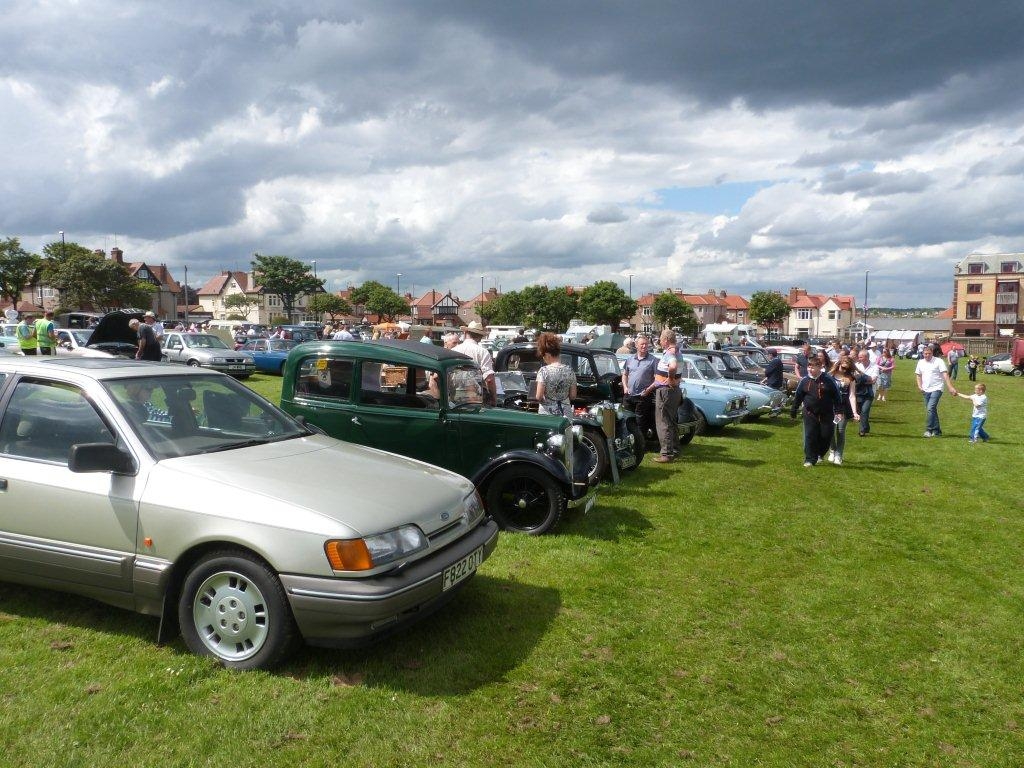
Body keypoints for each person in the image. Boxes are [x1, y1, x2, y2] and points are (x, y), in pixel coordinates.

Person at [790, 357, 843, 467]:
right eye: (809, 367)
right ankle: (809, 459)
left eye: (812, 367)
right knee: (810, 435)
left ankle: (820, 454)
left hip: (827, 414)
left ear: (819, 367)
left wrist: (839, 411)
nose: (810, 369)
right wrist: (794, 410)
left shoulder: (828, 380)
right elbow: (798, 396)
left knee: (826, 436)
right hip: (810, 413)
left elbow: (837, 396)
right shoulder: (804, 381)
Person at [651, 328, 682, 463]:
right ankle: (674, 449)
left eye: (661, 340)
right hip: (674, 390)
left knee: (663, 422)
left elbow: (673, 366)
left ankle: (666, 454)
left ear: (666, 340)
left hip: (666, 391)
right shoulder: (679, 351)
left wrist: (670, 378)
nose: (660, 342)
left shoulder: (670, 352)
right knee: (671, 421)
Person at [621, 333, 659, 439]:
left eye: (646, 344)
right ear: (636, 345)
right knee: (626, 420)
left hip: (643, 396)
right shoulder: (630, 359)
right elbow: (624, 375)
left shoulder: (653, 360)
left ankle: (641, 446)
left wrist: (648, 390)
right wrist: (625, 387)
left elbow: (657, 379)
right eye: (642, 344)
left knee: (640, 422)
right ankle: (626, 443)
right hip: (629, 396)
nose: (644, 346)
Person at [914, 344, 956, 437]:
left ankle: (928, 430)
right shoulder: (920, 362)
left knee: (930, 408)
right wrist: (919, 386)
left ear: (932, 353)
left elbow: (945, 374)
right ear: (923, 353)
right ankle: (937, 431)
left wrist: (950, 387)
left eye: (929, 353)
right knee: (932, 410)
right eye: (925, 354)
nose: (927, 355)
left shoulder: (939, 361)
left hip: (937, 388)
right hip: (925, 389)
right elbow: (918, 375)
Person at [534, 332, 576, 416]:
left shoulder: (543, 371)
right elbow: (573, 396)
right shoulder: (570, 370)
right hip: (566, 413)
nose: (543, 358)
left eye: (543, 355)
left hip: (547, 413)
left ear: (547, 355)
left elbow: (539, 396)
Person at [454, 321, 496, 405]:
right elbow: (489, 379)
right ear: (480, 337)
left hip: (455, 395)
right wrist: (494, 398)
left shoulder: (454, 350)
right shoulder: (483, 352)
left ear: (465, 333)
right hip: (475, 396)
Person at [828, 358, 860, 465]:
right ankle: (832, 450)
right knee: (830, 431)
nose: (844, 370)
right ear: (839, 364)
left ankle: (839, 454)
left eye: (847, 368)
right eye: (842, 367)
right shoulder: (830, 376)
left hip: (843, 408)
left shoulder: (850, 378)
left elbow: (852, 396)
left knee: (840, 431)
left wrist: (855, 412)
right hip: (830, 407)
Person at [854, 349, 878, 436]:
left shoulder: (874, 367)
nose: (859, 358)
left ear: (867, 357)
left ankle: (862, 430)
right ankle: (866, 427)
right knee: (861, 411)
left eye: (861, 357)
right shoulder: (856, 365)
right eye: (859, 357)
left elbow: (873, 380)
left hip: (869, 392)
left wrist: (860, 379)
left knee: (865, 411)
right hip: (858, 392)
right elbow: (854, 379)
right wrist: (864, 379)